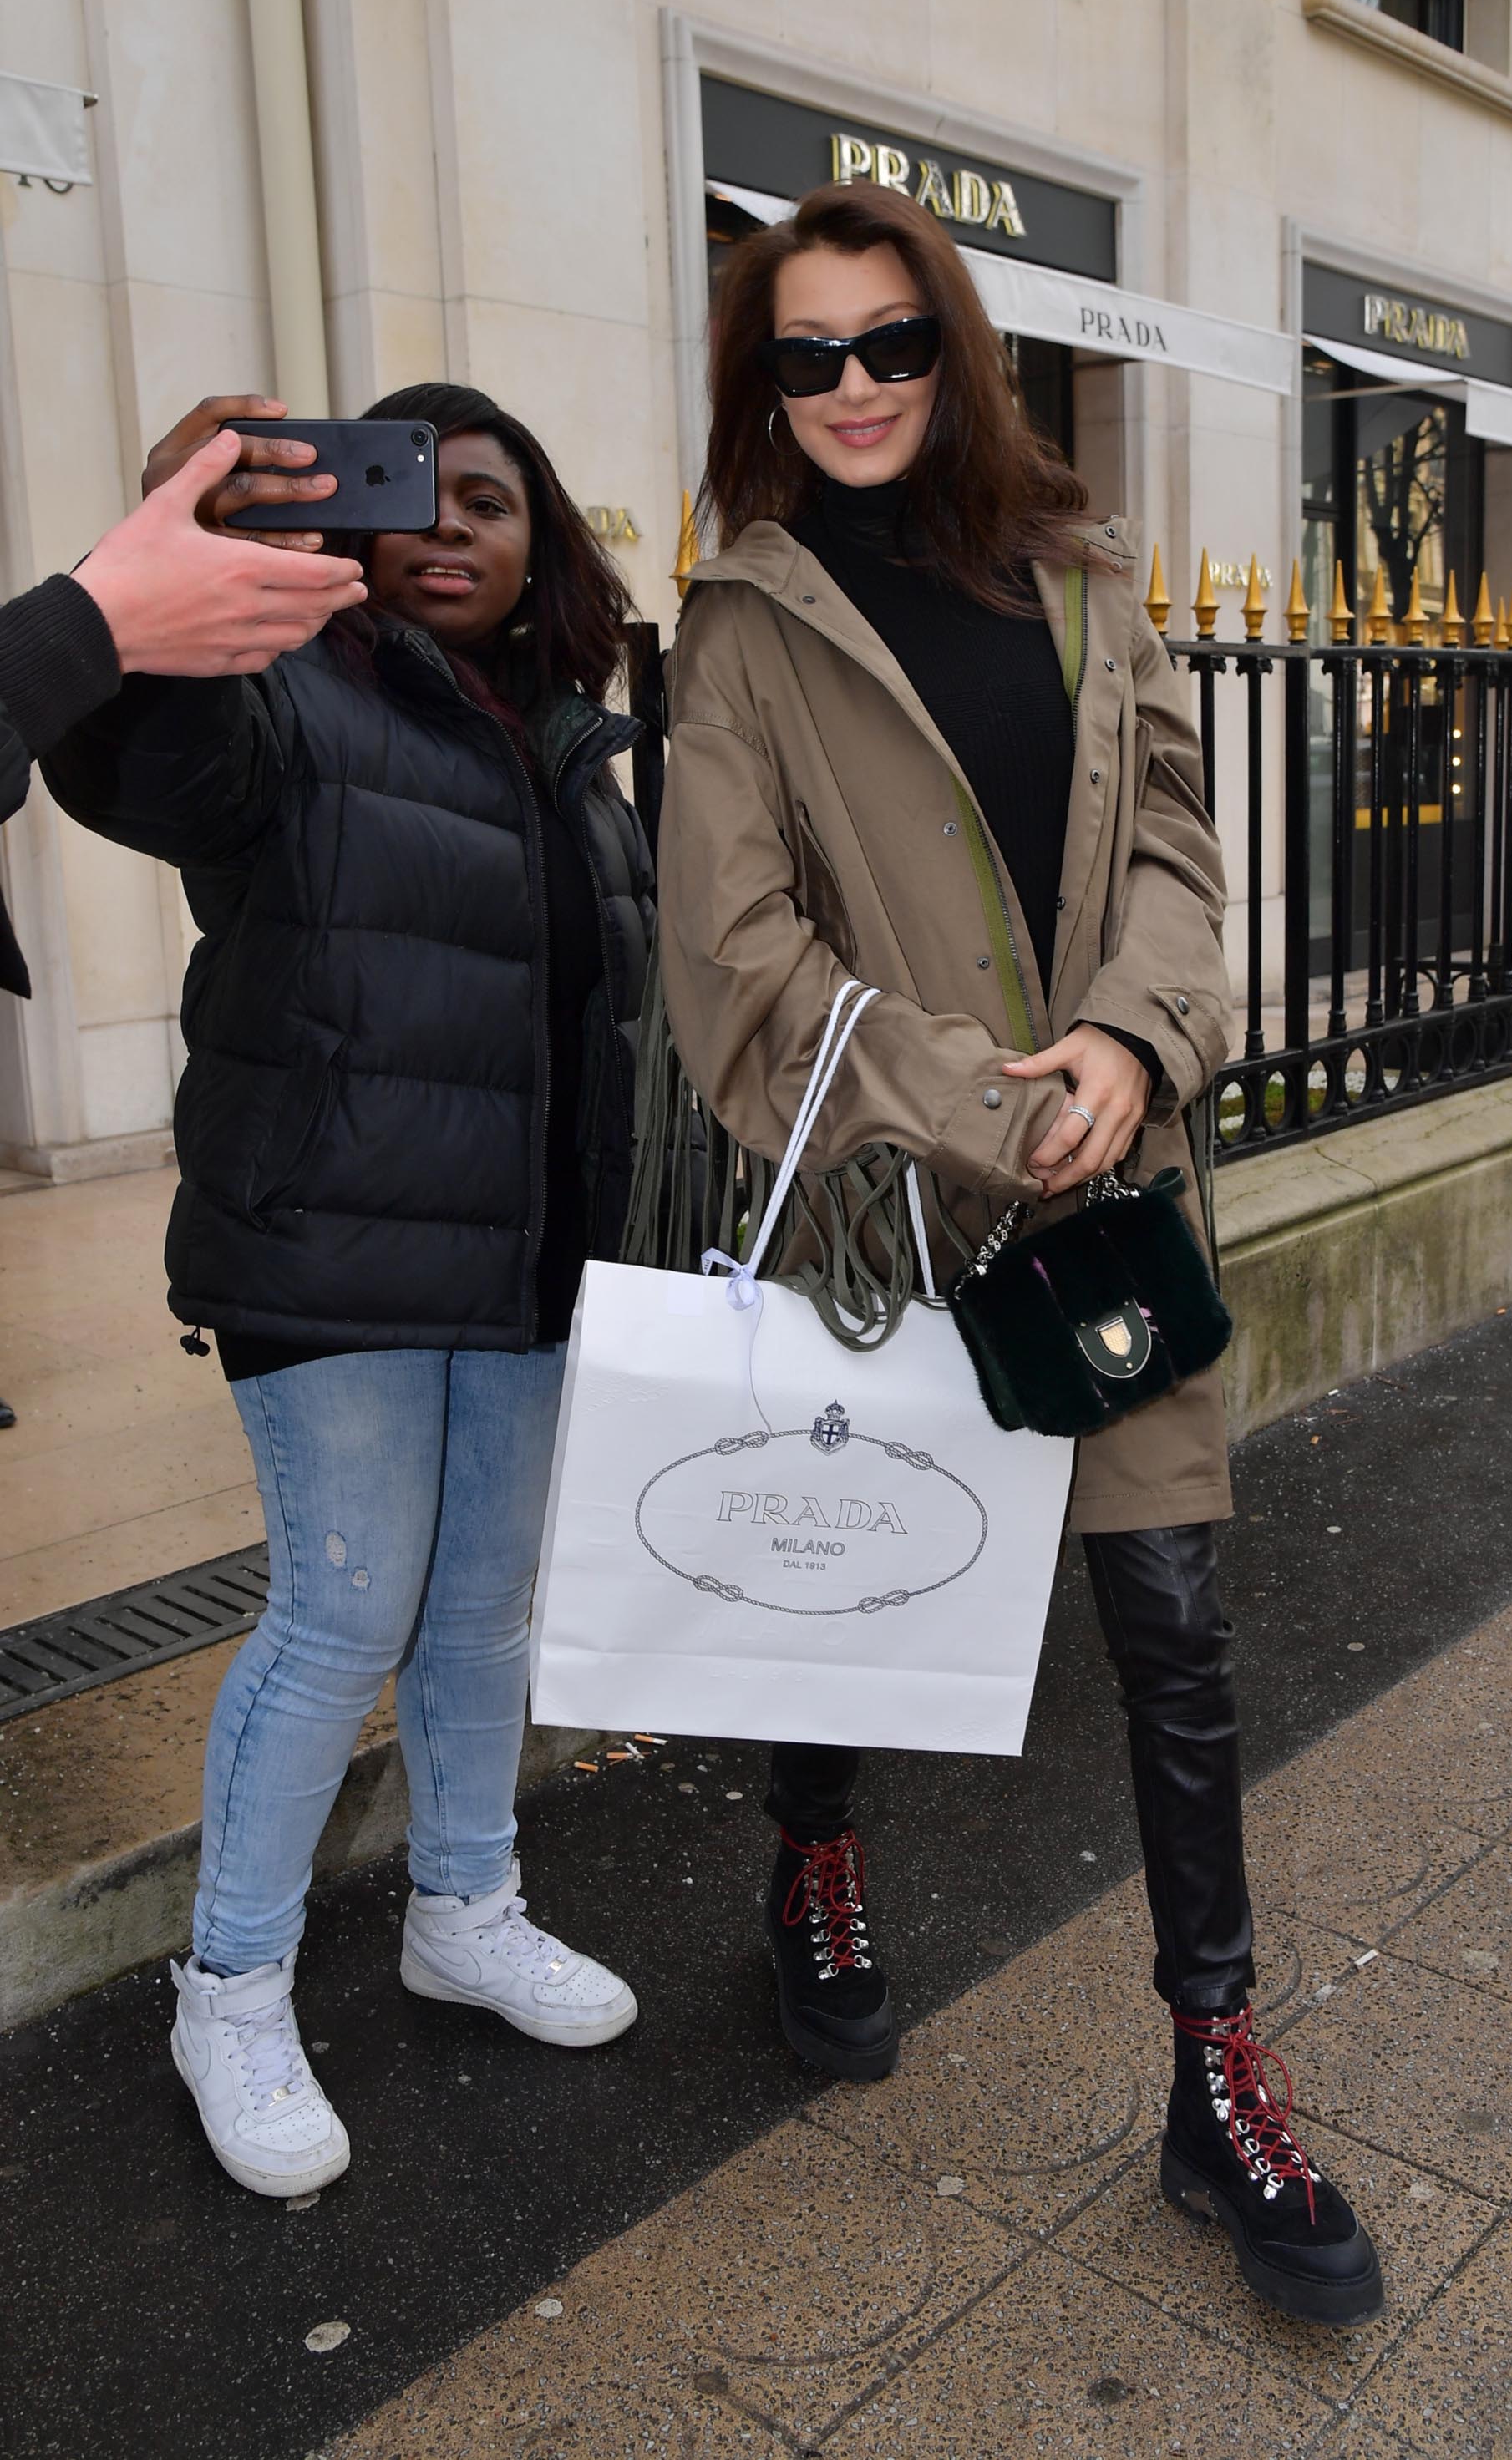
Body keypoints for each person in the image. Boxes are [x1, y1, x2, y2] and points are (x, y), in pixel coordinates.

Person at [654, 184, 1383, 2330]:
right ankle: (811, 1863)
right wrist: (991, 1097)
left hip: (1111, 1208)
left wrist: (1130, 1047)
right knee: (839, 1581)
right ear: (761, 386)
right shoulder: (744, 631)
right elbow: (732, 963)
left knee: (1168, 1630)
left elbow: (1173, 853)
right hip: (895, 1201)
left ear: (952, 352)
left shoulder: (1081, 581)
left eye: (890, 344)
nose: (855, 386)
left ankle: (1212, 2070)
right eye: (807, 355)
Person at [43, 386, 652, 2201]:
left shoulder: (571, 744)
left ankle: (464, 1905)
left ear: (542, 535)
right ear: (355, 528)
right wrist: (180, 557)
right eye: (415, 497)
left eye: (492, 499)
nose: (451, 528)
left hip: (527, 1256)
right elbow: (134, 762)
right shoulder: (286, 690)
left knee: (480, 1612)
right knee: (340, 1613)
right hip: (332, 1245)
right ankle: (228, 1986)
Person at [0, 428, 368, 1430]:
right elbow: (175, 787)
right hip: (323, 1267)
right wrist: (104, 617)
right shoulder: (293, 711)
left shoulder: (567, 739)